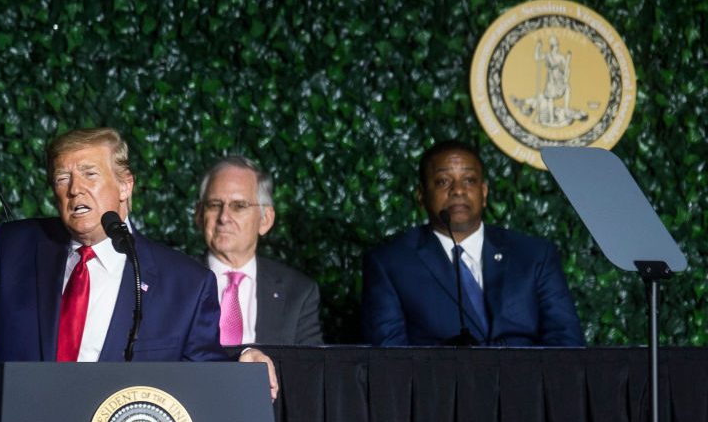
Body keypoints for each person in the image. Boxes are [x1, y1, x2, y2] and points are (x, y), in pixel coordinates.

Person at [0, 127, 277, 422]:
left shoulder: (185, 283)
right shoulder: (16, 247)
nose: (75, 189)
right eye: (62, 177)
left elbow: (203, 374)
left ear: (126, 185)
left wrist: (243, 364)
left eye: (90, 174)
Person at [361, 139, 584, 347]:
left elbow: (566, 343)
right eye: (443, 181)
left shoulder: (534, 255)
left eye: (469, 180)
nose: (458, 190)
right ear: (421, 195)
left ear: (484, 192)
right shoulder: (390, 264)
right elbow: (390, 361)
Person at [195, 156, 323, 346]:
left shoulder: (298, 293)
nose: (224, 217)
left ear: (265, 220)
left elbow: (309, 370)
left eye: (239, 206)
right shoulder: (172, 284)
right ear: (199, 215)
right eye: (214, 205)